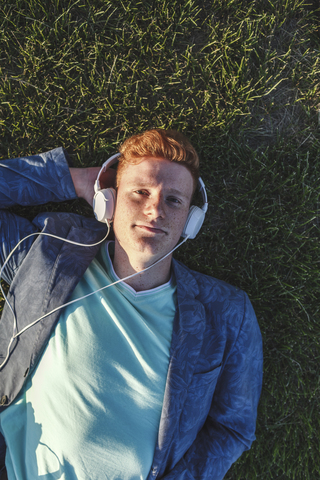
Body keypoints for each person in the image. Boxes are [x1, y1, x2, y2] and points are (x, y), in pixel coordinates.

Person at [0, 129, 263, 480]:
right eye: (140, 192)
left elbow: (234, 429)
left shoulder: (227, 314)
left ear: (191, 220)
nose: (154, 210)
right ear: (107, 201)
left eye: (174, 200)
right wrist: (73, 180)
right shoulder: (48, 253)